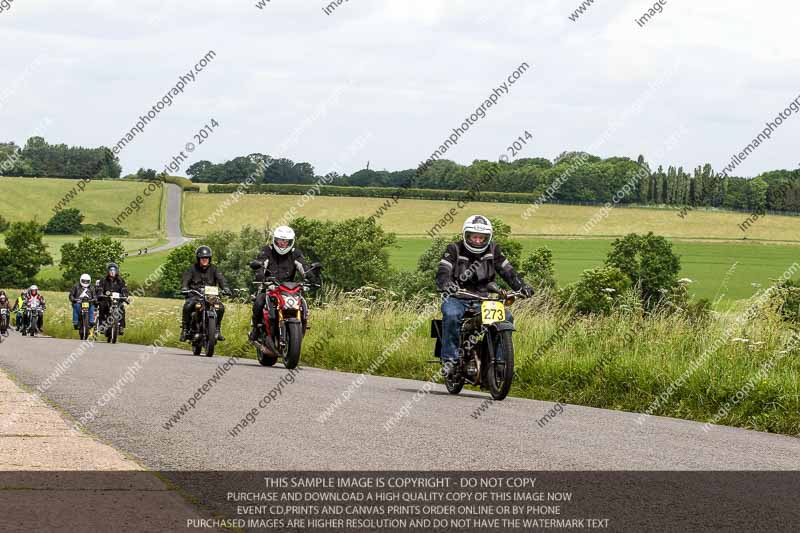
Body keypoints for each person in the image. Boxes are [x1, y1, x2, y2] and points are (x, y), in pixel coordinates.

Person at [435, 215, 534, 377]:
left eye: (482, 237)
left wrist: (522, 286)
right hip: (457, 297)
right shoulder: (454, 249)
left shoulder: (494, 250)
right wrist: (446, 284)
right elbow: (443, 272)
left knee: (506, 317)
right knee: (451, 315)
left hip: (483, 298)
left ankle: (499, 363)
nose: (478, 240)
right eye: (474, 236)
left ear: (488, 238)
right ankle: (449, 361)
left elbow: (508, 271)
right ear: (466, 235)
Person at [248, 225, 317, 341]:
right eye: (280, 241)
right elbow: (261, 263)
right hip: (270, 287)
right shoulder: (267, 250)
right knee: (259, 302)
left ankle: (302, 324)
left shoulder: (296, 253)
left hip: (290, 289)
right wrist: (260, 276)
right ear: (275, 240)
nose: (282, 244)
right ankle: (255, 329)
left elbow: (303, 267)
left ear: (291, 242)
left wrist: (312, 278)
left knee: (303, 304)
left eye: (285, 241)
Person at [180, 246, 229, 342]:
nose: (204, 260)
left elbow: (221, 279)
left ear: (209, 259)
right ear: (198, 259)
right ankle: (185, 330)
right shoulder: (192, 269)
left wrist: (226, 288)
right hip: (195, 295)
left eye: (206, 258)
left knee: (220, 308)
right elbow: (185, 280)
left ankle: (217, 331)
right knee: (188, 306)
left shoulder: (214, 269)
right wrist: (184, 287)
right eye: (202, 258)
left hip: (210, 297)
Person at [97, 262, 129, 335]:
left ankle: (121, 326)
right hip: (106, 299)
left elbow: (124, 289)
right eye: (110, 270)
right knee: (102, 306)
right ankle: (101, 325)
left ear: (116, 271)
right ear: (108, 271)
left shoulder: (121, 280)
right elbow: (100, 289)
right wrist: (100, 294)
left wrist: (124, 295)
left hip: (117, 300)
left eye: (114, 270)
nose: (112, 272)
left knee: (122, 309)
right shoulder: (103, 280)